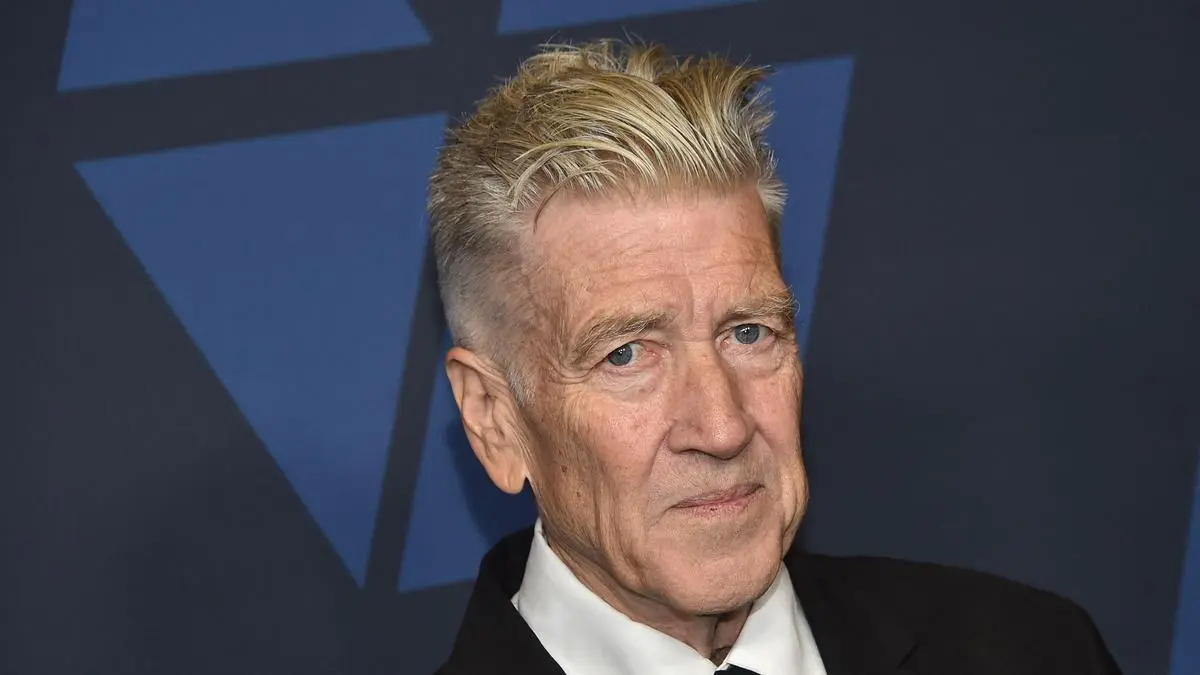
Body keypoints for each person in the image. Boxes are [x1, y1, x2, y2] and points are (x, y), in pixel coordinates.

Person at [425, 38, 1120, 675]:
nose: (723, 427)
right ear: (493, 419)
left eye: (749, 332)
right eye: (627, 354)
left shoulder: (1038, 651)